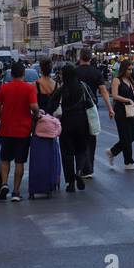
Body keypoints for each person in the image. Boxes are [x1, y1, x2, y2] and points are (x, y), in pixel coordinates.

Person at [0, 61, 35, 202]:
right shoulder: (29, 88)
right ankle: (16, 192)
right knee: (19, 162)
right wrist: (37, 113)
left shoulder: (4, 88)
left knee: (5, 160)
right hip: (23, 131)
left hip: (6, 130)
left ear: (11, 74)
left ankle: (4, 184)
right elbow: (34, 106)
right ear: (23, 73)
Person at [28, 59, 63, 198]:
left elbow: (32, 105)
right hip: (52, 123)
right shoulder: (56, 85)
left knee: (38, 156)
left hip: (39, 122)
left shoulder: (34, 85)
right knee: (52, 153)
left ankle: (37, 184)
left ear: (41, 70)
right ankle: (52, 181)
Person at [75, 50, 112, 179]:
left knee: (79, 138)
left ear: (80, 57)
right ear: (90, 58)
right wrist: (110, 108)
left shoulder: (75, 72)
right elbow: (103, 92)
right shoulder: (96, 72)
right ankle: (89, 168)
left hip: (76, 109)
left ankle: (81, 167)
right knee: (91, 138)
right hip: (91, 109)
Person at [56, 64, 91, 192]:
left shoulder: (62, 89)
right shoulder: (82, 86)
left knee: (67, 153)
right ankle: (80, 171)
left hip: (66, 124)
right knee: (81, 149)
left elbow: (51, 105)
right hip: (82, 122)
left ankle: (70, 183)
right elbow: (92, 101)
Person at [106, 61, 134, 171]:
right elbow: (115, 96)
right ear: (123, 69)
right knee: (125, 137)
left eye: (131, 69)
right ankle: (129, 162)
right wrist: (128, 99)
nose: (130, 71)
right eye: (128, 69)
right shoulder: (117, 80)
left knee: (131, 137)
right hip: (121, 111)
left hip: (131, 111)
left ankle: (112, 152)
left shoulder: (130, 80)